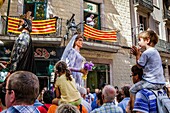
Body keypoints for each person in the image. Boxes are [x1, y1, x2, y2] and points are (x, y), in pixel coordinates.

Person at [130, 29, 165, 106]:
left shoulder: (146, 53)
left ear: (147, 40)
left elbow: (139, 65)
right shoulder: (155, 52)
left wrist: (137, 55)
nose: (138, 42)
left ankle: (133, 108)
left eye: (140, 40)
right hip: (161, 82)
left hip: (151, 82)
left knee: (132, 90)